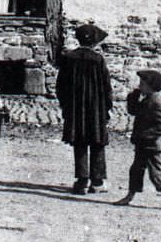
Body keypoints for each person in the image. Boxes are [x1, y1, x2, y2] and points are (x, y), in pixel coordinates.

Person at [55, 22, 113, 195]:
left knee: (79, 141)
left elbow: (61, 86)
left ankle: (82, 181)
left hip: (75, 108)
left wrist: (65, 105)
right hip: (95, 109)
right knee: (97, 141)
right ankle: (97, 181)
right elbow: (106, 87)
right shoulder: (98, 60)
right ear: (94, 42)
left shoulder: (68, 58)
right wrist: (107, 107)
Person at [116, 69, 161, 212]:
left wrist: (147, 135)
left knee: (156, 174)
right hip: (143, 144)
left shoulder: (156, 101)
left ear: (151, 86)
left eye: (142, 83)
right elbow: (133, 111)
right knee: (136, 170)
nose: (139, 85)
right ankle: (129, 196)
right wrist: (133, 97)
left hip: (153, 145)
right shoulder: (147, 99)